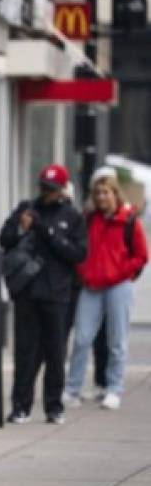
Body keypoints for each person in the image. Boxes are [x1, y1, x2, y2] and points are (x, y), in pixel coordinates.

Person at [0, 164, 87, 425]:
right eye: (43, 187)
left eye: (52, 189)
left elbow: (78, 254)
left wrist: (47, 232)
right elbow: (4, 239)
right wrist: (21, 229)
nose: (46, 193)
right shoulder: (26, 209)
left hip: (57, 292)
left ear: (61, 190)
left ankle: (54, 406)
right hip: (27, 291)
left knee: (55, 352)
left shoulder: (72, 217)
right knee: (25, 352)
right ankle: (20, 406)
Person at [63, 168, 147, 411]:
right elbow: (79, 248)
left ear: (115, 193)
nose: (101, 197)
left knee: (117, 341)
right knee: (81, 339)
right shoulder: (89, 219)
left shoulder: (128, 220)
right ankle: (72, 389)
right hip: (91, 286)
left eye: (106, 192)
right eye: (98, 193)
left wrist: (121, 271)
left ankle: (114, 389)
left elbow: (141, 255)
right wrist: (83, 270)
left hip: (118, 286)